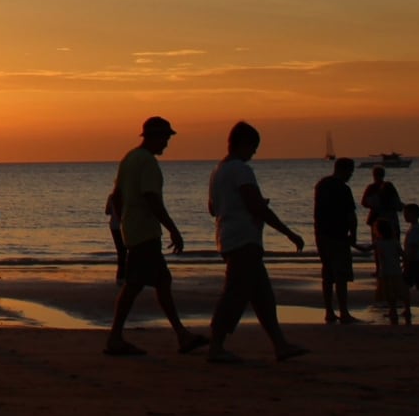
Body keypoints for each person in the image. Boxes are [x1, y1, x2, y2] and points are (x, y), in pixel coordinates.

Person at [103, 117, 208, 357]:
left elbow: (117, 196)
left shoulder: (129, 158)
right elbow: (152, 198)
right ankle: (117, 338)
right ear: (155, 137)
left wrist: (123, 223)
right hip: (145, 233)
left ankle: (180, 334)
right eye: (165, 138)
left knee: (156, 282)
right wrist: (173, 228)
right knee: (139, 285)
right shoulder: (147, 162)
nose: (167, 144)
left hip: (134, 231)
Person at [205, 121, 308, 364]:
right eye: (253, 147)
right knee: (234, 295)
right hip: (243, 240)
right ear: (243, 144)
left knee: (263, 296)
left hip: (229, 237)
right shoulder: (241, 170)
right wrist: (288, 232)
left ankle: (280, 345)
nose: (255, 152)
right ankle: (216, 346)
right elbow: (255, 204)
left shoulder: (217, 171)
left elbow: (213, 208)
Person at [312, 157, 360, 324]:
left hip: (321, 234)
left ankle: (329, 311)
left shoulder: (321, 185)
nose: (350, 175)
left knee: (328, 273)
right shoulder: (343, 188)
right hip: (338, 235)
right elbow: (350, 214)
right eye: (350, 172)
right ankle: (344, 312)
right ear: (343, 170)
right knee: (341, 275)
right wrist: (353, 234)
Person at [370, 218, 404, 323]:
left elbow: (365, 249)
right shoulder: (395, 242)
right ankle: (393, 311)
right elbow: (403, 255)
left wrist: (352, 244)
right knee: (394, 291)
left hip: (385, 272)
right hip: (396, 271)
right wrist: (404, 265)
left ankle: (393, 311)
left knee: (388, 293)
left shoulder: (378, 243)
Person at [360, 165, 403, 242]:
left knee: (378, 241)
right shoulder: (388, 187)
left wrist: (375, 206)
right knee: (392, 240)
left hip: (378, 218)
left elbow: (364, 202)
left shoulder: (373, 187)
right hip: (387, 218)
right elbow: (399, 205)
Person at [105, 190, 127, 285]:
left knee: (121, 251)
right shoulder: (127, 196)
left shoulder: (111, 196)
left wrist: (113, 210)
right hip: (124, 226)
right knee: (125, 251)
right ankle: (124, 275)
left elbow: (107, 211)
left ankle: (121, 275)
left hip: (114, 225)